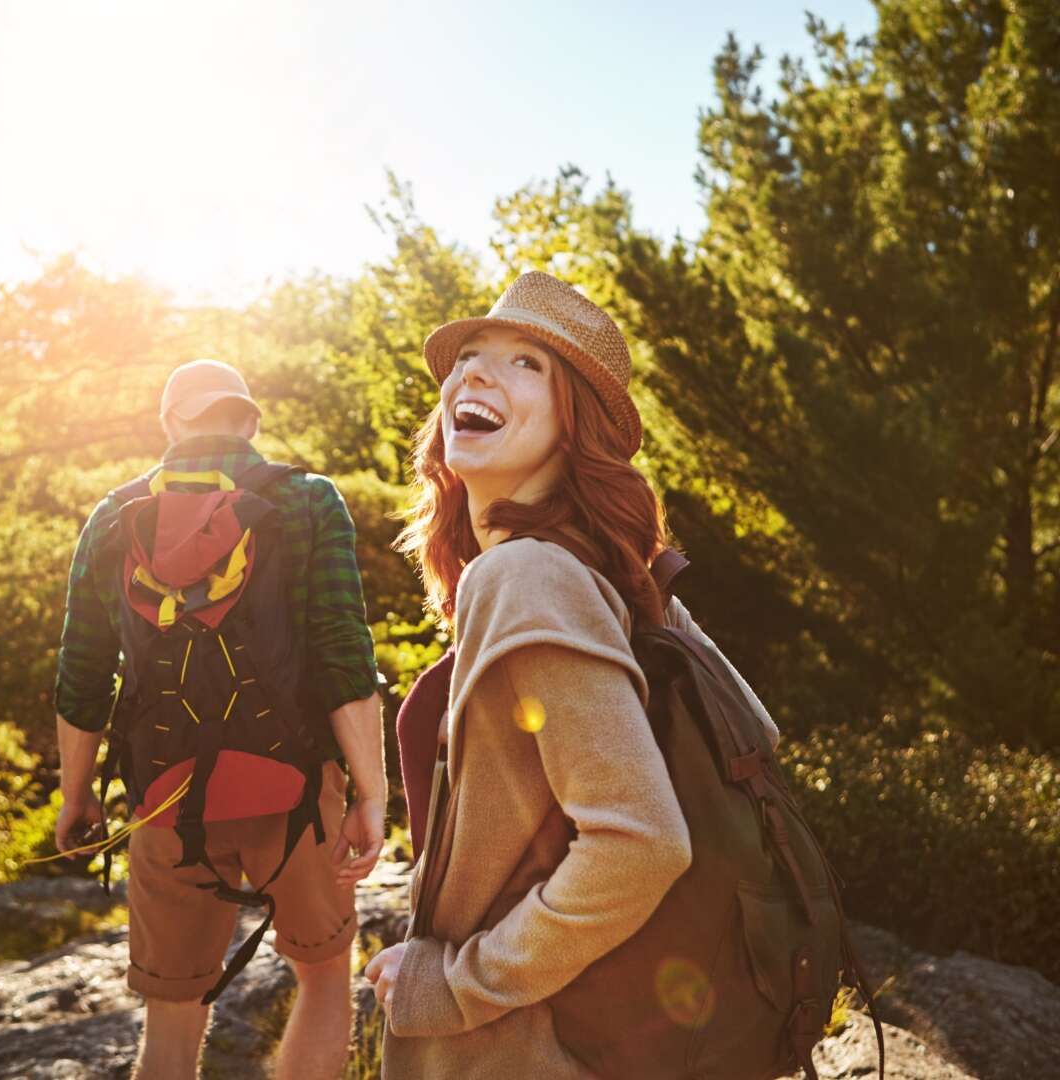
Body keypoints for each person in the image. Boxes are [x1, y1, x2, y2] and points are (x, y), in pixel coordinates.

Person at [364, 272, 779, 1078]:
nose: (476, 373)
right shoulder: (619, 581)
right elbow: (758, 734)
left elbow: (640, 844)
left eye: (526, 363)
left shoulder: (530, 577)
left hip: (522, 1052)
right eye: (472, 355)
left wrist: (454, 984)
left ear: (573, 428)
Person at [54, 358, 387, 1080]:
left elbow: (81, 673)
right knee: (327, 976)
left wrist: (77, 797)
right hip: (296, 792)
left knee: (172, 1020)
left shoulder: (113, 519)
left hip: (164, 799)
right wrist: (371, 792)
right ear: (249, 420)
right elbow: (344, 655)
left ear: (170, 423)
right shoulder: (307, 501)